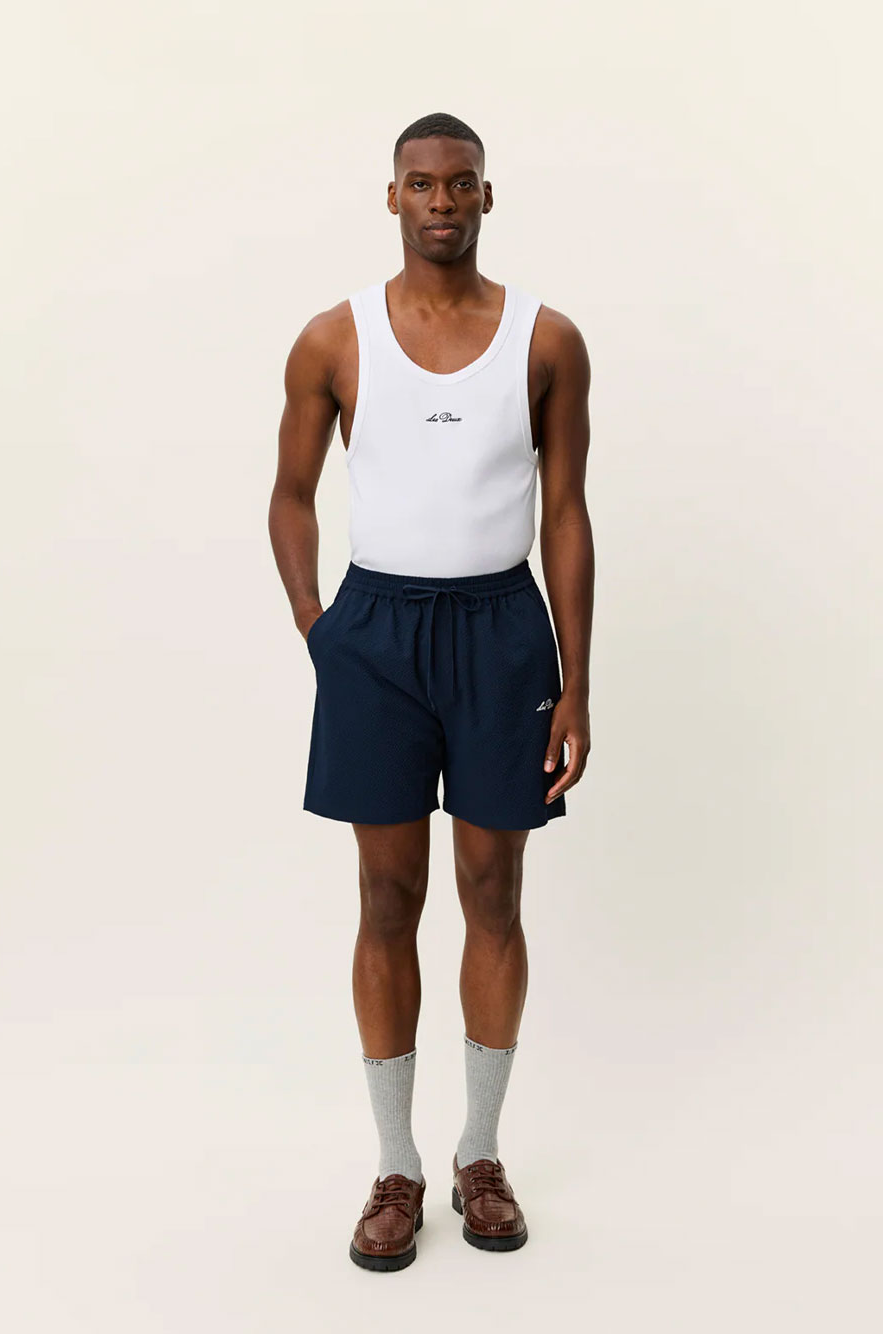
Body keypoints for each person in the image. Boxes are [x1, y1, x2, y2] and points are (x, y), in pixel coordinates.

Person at [268, 111, 593, 1270]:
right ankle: (397, 1165)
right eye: (422, 183)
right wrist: (319, 627)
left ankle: (480, 1153)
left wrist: (575, 679)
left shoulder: (547, 339)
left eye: (461, 183)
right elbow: (290, 492)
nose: (441, 201)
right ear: (393, 195)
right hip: (377, 634)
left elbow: (565, 512)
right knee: (386, 893)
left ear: (486, 196)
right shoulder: (333, 337)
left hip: (502, 632)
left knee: (493, 886)